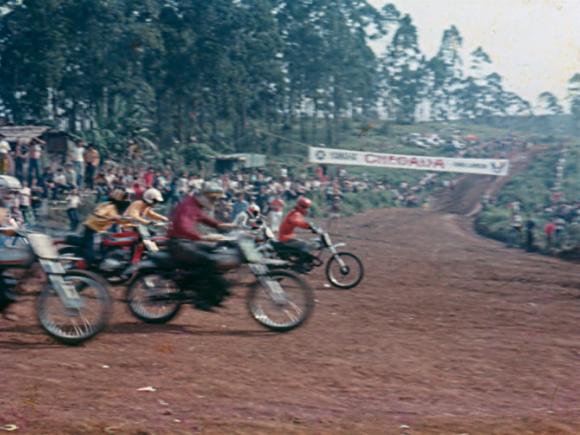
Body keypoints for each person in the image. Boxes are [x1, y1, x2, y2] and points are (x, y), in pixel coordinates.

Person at [167, 182, 237, 311]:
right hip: (179, 243)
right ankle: (201, 299)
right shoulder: (188, 206)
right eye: (212, 198)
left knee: (215, 253)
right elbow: (183, 227)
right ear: (204, 196)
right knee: (208, 259)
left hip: (187, 242)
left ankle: (212, 290)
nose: (214, 201)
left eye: (215, 198)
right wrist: (202, 237)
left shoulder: (195, 205)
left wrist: (222, 225)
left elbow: (204, 219)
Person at [80, 189, 131, 265]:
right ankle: (89, 266)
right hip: (93, 228)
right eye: (124, 198)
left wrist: (130, 222)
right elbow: (100, 214)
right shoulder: (109, 206)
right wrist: (114, 217)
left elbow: (118, 220)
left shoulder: (112, 206)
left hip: (100, 229)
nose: (126, 200)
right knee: (90, 252)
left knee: (109, 242)